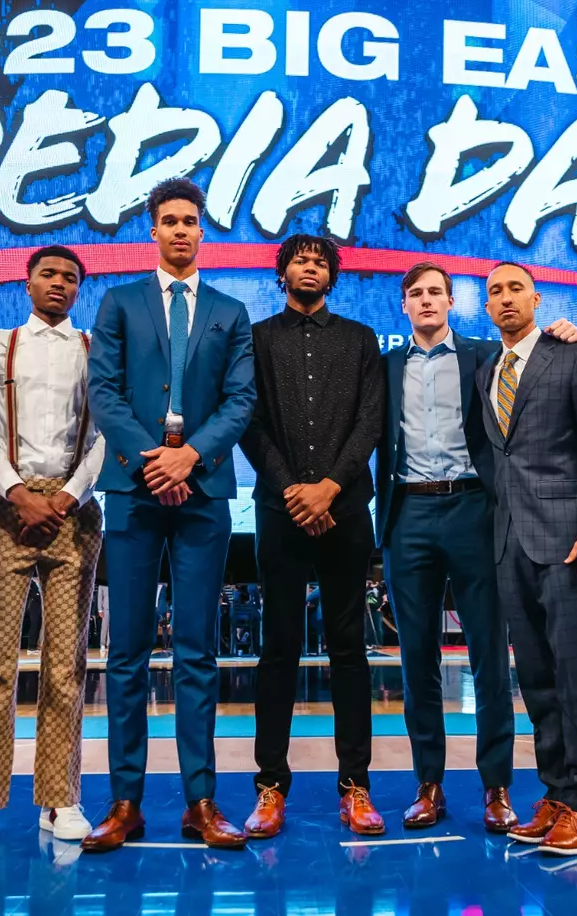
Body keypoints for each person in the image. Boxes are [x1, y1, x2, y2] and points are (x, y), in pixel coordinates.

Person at [82, 177, 256, 853]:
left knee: (197, 652)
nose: (181, 230)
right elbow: (104, 392)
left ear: (201, 231)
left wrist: (191, 458)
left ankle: (200, 801)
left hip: (204, 493)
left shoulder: (229, 311)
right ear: (152, 230)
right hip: (133, 490)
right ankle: (124, 801)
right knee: (125, 652)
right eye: (170, 221)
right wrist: (153, 460)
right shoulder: (119, 303)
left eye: (190, 221)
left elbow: (241, 401)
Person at [375, 261, 577, 833]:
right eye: (415, 293)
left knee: (489, 657)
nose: (426, 300)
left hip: (475, 511)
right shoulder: (384, 365)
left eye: (435, 292)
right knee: (417, 661)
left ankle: (497, 788)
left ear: (451, 302)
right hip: (408, 515)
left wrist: (566, 334)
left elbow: (538, 359)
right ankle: (429, 785)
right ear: (404, 305)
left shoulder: (487, 356)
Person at [0, 245, 105, 849]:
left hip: (74, 511)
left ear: (78, 288)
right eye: (49, 274)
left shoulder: (95, 349)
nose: (59, 284)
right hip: (5, 509)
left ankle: (60, 798)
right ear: (28, 282)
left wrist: (66, 496)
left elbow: (103, 435)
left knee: (66, 664)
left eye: (70, 277)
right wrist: (18, 493)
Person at [237, 235, 385, 838]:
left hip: (345, 510)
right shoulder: (257, 339)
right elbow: (249, 422)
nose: (310, 267)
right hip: (280, 511)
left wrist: (329, 488)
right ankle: (271, 787)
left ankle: (356, 786)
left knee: (349, 651)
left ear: (332, 277)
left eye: (321, 261)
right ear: (282, 272)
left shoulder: (360, 339)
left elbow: (370, 421)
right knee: (278, 650)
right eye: (300, 259)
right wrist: (295, 491)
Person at [476, 262, 577, 856]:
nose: (505, 298)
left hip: (569, 543)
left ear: (536, 299)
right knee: (537, 681)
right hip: (509, 543)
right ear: (487, 307)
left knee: (574, 676)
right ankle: (556, 794)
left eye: (516, 288)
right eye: (495, 292)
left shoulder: (574, 357)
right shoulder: (488, 369)